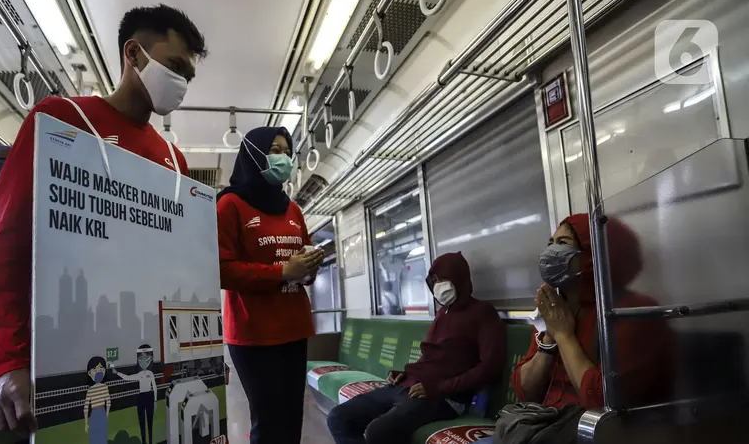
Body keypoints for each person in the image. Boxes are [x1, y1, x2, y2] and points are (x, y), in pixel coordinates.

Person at [0, 4, 207, 435]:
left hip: (152, 359)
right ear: (133, 55)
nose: (182, 85)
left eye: (188, 76)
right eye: (174, 67)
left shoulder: (175, 163)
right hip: (61, 364)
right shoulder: (61, 120)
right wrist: (7, 361)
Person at [216, 126, 325, 444]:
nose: (284, 158)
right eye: (275, 150)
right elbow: (223, 270)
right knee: (268, 421)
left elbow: (300, 261)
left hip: (293, 326)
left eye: (288, 152)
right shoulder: (230, 205)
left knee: (292, 418)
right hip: (253, 332)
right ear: (254, 153)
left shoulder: (293, 209)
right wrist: (281, 272)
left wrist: (307, 268)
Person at [327, 252, 506, 444]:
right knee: (338, 417)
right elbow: (431, 359)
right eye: (435, 280)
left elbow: (490, 368)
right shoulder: (442, 314)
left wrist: (438, 388)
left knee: (378, 432)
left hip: (444, 398)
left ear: (459, 278)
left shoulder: (482, 312)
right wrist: (404, 374)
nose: (439, 286)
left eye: (444, 279)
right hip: (409, 386)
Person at [511, 214, 674, 420]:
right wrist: (549, 339)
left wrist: (563, 335)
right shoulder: (555, 305)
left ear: (592, 254)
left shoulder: (631, 311)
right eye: (550, 243)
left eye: (562, 243)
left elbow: (602, 402)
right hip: (548, 424)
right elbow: (525, 393)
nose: (549, 252)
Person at [114, 345, 157, 444]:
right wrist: (117, 373)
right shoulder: (139, 374)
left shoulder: (151, 373)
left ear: (150, 359)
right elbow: (127, 378)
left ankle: (150, 441)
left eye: (146, 358)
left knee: (150, 422)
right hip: (141, 398)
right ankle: (143, 442)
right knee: (142, 421)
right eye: (141, 359)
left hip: (149, 396)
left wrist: (155, 400)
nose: (143, 361)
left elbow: (154, 387)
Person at [84, 356, 111, 444]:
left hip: (99, 413)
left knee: (101, 436)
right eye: (95, 370)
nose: (98, 373)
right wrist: (86, 423)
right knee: (96, 436)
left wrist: (86, 423)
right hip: (96, 413)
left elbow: (86, 408)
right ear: (89, 373)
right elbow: (86, 407)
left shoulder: (101, 388)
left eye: (101, 369)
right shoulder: (91, 390)